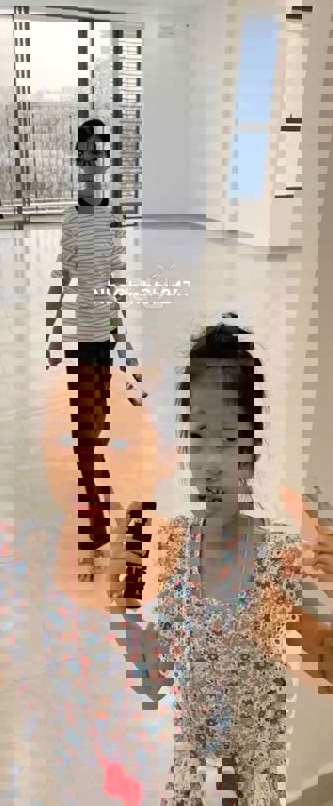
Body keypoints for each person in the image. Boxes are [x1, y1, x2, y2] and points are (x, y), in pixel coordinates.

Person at [103, 320, 333, 805]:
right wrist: (120, 607)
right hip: (187, 789)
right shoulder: (176, 550)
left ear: (251, 446)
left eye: (227, 439)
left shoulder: (280, 561)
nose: (209, 461)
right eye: (198, 436)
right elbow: (152, 682)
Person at [44, 118, 132, 557]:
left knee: (95, 430)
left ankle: (98, 507)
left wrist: (126, 345)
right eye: (87, 154)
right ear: (77, 160)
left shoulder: (112, 217)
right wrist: (52, 331)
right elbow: (64, 273)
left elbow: (117, 281)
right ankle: (95, 520)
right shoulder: (71, 218)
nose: (94, 161)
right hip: (80, 339)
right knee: (85, 434)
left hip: (105, 339)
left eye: (100, 153)